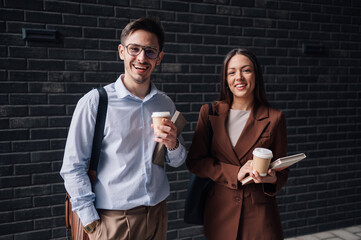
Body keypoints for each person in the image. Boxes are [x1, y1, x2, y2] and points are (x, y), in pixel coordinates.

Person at [60, 17, 186, 240]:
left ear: (159, 58)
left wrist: (173, 144)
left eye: (150, 51)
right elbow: (72, 168)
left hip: (157, 215)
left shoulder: (165, 104)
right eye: (134, 49)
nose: (141, 58)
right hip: (113, 221)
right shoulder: (95, 102)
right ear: (121, 51)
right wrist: (91, 225)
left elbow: (175, 161)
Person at [186, 48, 288, 240]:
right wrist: (235, 173)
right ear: (225, 79)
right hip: (220, 213)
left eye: (246, 70)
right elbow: (195, 162)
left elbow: (282, 172)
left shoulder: (275, 118)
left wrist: (271, 179)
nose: (238, 77)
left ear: (256, 75)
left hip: (259, 217)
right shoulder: (209, 113)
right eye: (232, 72)